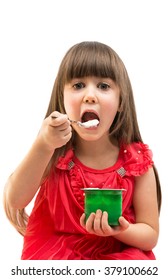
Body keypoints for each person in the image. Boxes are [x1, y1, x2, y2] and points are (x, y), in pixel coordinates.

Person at [3, 41, 161, 260]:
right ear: (63, 97)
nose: (90, 95)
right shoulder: (53, 152)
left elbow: (150, 235)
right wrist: (43, 144)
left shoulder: (136, 163)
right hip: (58, 259)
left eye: (103, 86)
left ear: (121, 102)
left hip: (119, 258)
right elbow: (15, 200)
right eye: (78, 85)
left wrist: (121, 229)